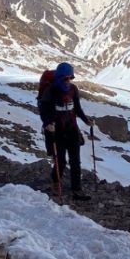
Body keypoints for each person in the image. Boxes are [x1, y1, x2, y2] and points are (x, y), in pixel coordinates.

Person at [39, 62, 93, 201]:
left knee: (76, 161)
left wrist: (86, 120)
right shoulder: (50, 91)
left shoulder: (73, 89)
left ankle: (77, 190)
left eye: (71, 78)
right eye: (66, 78)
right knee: (61, 160)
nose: (69, 81)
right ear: (59, 77)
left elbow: (77, 109)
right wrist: (47, 124)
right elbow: (44, 111)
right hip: (56, 131)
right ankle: (56, 182)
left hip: (72, 130)